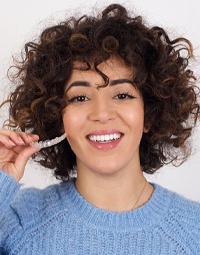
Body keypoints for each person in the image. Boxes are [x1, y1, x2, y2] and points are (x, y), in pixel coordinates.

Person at [0, 3, 199, 254]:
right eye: (80, 98)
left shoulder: (194, 233)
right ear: (58, 118)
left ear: (149, 115)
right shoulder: (17, 223)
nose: (102, 114)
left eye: (123, 95)